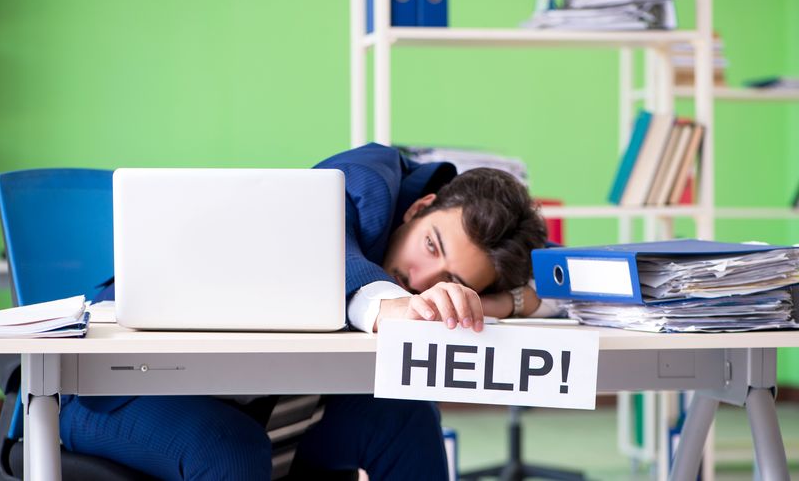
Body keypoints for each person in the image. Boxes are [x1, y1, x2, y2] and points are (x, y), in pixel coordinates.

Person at [60, 142, 552, 480]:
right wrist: (388, 305)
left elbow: (546, 294)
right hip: (118, 388)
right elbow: (323, 245)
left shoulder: (434, 274)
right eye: (431, 244)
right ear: (419, 206)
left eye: (451, 282)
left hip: (261, 400)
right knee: (229, 449)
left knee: (407, 417)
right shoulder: (367, 180)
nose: (423, 279)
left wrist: (500, 301)